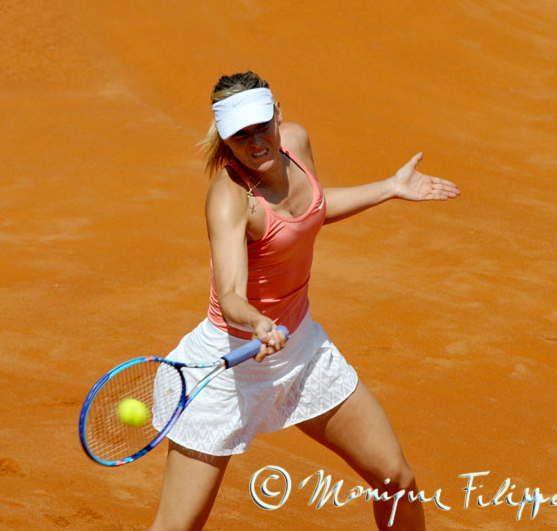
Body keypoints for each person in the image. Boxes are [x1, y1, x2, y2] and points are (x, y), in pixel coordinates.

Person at [149, 71, 460, 531]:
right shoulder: (230, 198)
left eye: (261, 126)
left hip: (301, 352)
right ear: (226, 139)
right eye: (240, 135)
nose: (255, 143)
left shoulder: (295, 141)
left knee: (396, 479)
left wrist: (389, 188)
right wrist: (257, 322)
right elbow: (230, 292)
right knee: (178, 527)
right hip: (228, 368)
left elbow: (310, 210)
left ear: (277, 113)